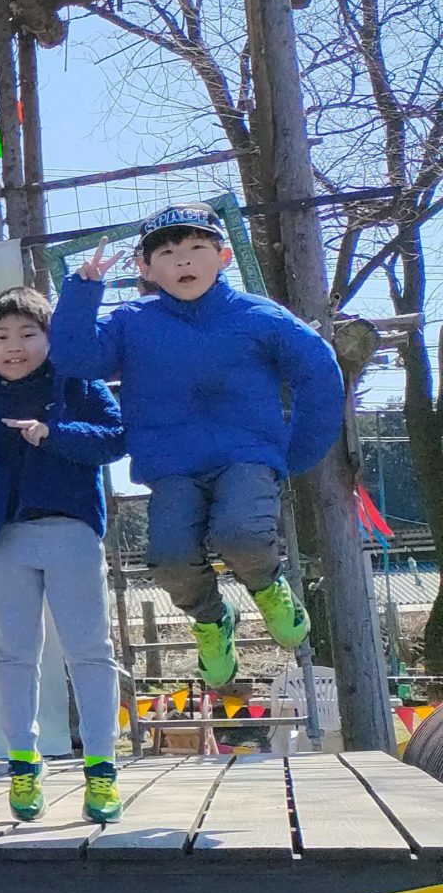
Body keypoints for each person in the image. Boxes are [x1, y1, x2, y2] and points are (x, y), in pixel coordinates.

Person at [53, 202, 342, 691]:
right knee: (168, 556)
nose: (183, 261)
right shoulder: (130, 321)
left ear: (223, 256)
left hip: (247, 456)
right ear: (145, 269)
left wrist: (297, 452)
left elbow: (319, 372)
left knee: (243, 535)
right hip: (171, 467)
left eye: (195, 249)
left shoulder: (259, 315)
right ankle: (211, 621)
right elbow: (76, 358)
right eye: (166, 253)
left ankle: (270, 587)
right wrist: (82, 292)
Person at [0, 287, 130, 822]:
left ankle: (102, 770)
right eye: (0, 337)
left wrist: (51, 433)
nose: (14, 346)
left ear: (49, 338)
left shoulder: (75, 381)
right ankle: (21, 761)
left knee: (89, 650)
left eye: (28, 334)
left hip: (71, 530)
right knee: (13, 651)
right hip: (3, 535)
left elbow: (112, 440)